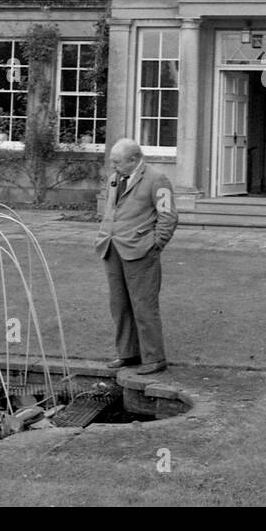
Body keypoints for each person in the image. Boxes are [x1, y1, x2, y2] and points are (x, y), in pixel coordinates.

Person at [94, 138, 178, 374]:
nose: (113, 167)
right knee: (119, 306)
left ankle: (154, 358)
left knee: (144, 306)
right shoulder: (115, 179)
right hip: (111, 248)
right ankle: (127, 354)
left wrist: (156, 244)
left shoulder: (157, 179)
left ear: (134, 160)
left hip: (141, 250)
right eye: (112, 162)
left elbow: (168, 216)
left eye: (117, 162)